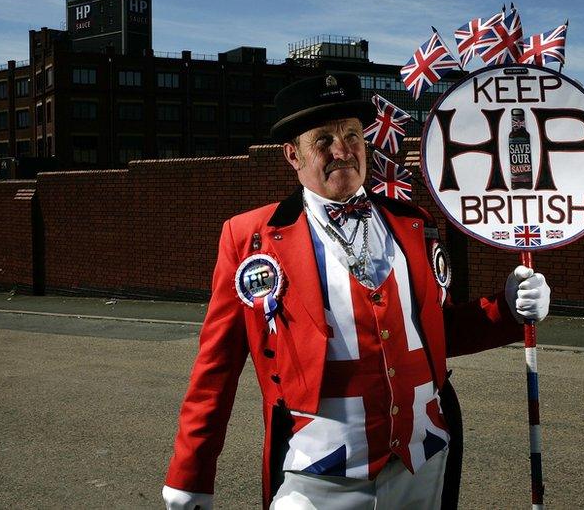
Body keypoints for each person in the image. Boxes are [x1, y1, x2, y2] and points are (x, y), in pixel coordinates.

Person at [163, 73, 551, 509]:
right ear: (293, 154)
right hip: (316, 472)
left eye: (351, 135)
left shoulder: (414, 223)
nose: (342, 151)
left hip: (423, 461)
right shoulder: (249, 236)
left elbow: (436, 336)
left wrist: (508, 311)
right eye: (323, 140)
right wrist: (191, 471)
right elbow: (217, 366)